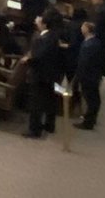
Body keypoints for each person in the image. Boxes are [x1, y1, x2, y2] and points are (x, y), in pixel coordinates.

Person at [23, 9, 65, 138]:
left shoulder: (45, 38)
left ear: (45, 24)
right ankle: (49, 125)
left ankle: (34, 130)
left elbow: (38, 56)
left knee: (36, 103)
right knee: (48, 100)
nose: (38, 20)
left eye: (40, 19)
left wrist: (28, 59)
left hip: (41, 75)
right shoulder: (52, 35)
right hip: (50, 73)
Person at [72, 20, 103, 130]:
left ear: (87, 30)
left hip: (88, 77)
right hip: (94, 75)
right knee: (94, 99)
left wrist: (78, 78)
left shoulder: (88, 46)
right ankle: (91, 119)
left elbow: (83, 63)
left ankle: (88, 122)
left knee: (91, 99)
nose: (81, 28)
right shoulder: (95, 42)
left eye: (83, 27)